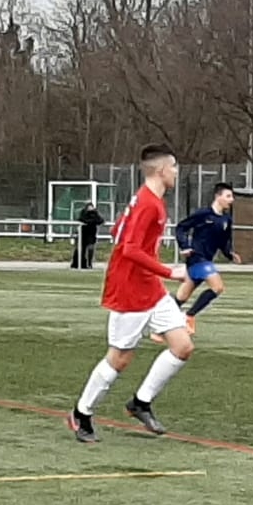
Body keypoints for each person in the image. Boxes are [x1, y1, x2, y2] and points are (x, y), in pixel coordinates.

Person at [67, 142, 192, 443]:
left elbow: (118, 232)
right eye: (174, 167)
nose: (176, 172)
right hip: (130, 290)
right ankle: (81, 413)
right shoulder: (148, 203)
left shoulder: (147, 199)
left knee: (183, 346)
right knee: (119, 359)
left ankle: (141, 402)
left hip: (150, 288)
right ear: (161, 170)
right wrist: (169, 271)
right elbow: (129, 248)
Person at [169, 183, 241, 335]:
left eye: (232, 196)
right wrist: (184, 246)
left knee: (181, 298)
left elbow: (223, 242)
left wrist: (230, 254)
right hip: (197, 258)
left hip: (206, 260)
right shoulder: (203, 214)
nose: (231, 200)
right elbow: (181, 227)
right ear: (218, 196)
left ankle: (158, 324)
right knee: (217, 287)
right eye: (228, 196)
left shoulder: (226, 220)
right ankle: (189, 316)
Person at [74, 201, 104, 270]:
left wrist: (94, 215)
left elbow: (100, 220)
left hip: (91, 234)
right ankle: (79, 264)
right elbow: (81, 219)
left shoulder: (95, 214)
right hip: (83, 234)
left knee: (91, 248)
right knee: (81, 249)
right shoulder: (83, 213)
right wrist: (91, 220)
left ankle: (89, 263)